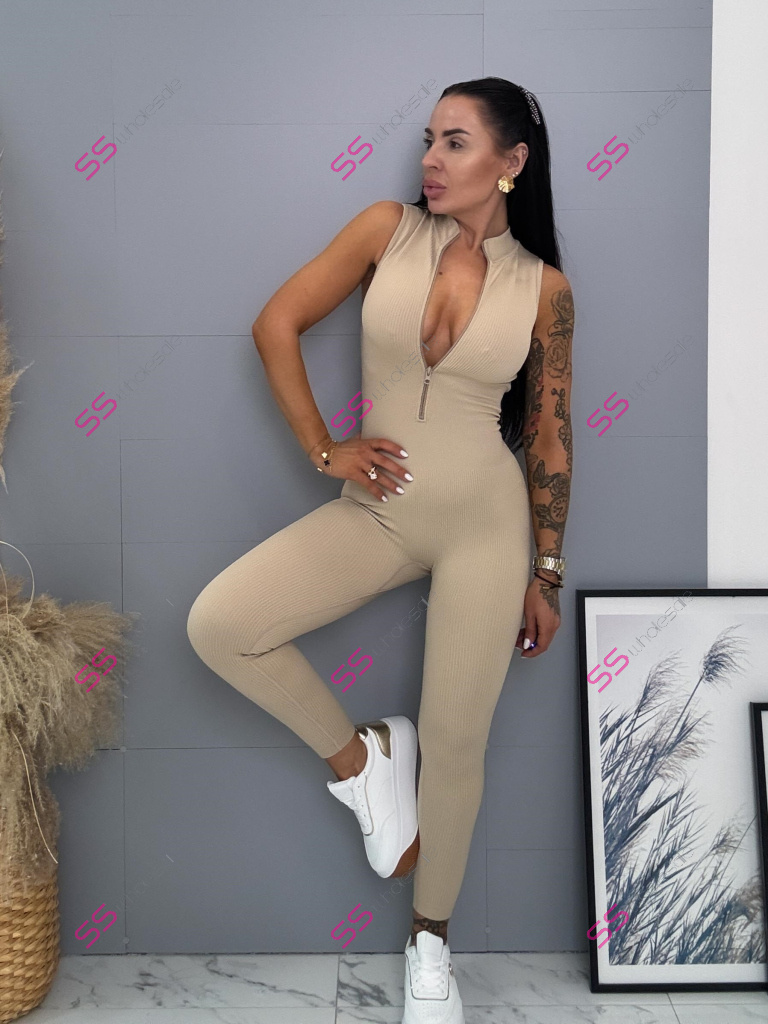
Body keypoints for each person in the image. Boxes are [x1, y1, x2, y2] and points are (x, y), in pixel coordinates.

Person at [186, 75, 573, 1024]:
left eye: (454, 142)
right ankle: (363, 763)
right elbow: (275, 323)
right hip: (378, 512)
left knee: (458, 742)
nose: (430, 160)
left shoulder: (545, 289)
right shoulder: (384, 230)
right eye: (429, 140)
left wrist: (546, 570)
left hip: (487, 527)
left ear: (512, 162)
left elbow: (550, 437)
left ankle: (429, 946)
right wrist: (326, 449)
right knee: (221, 626)